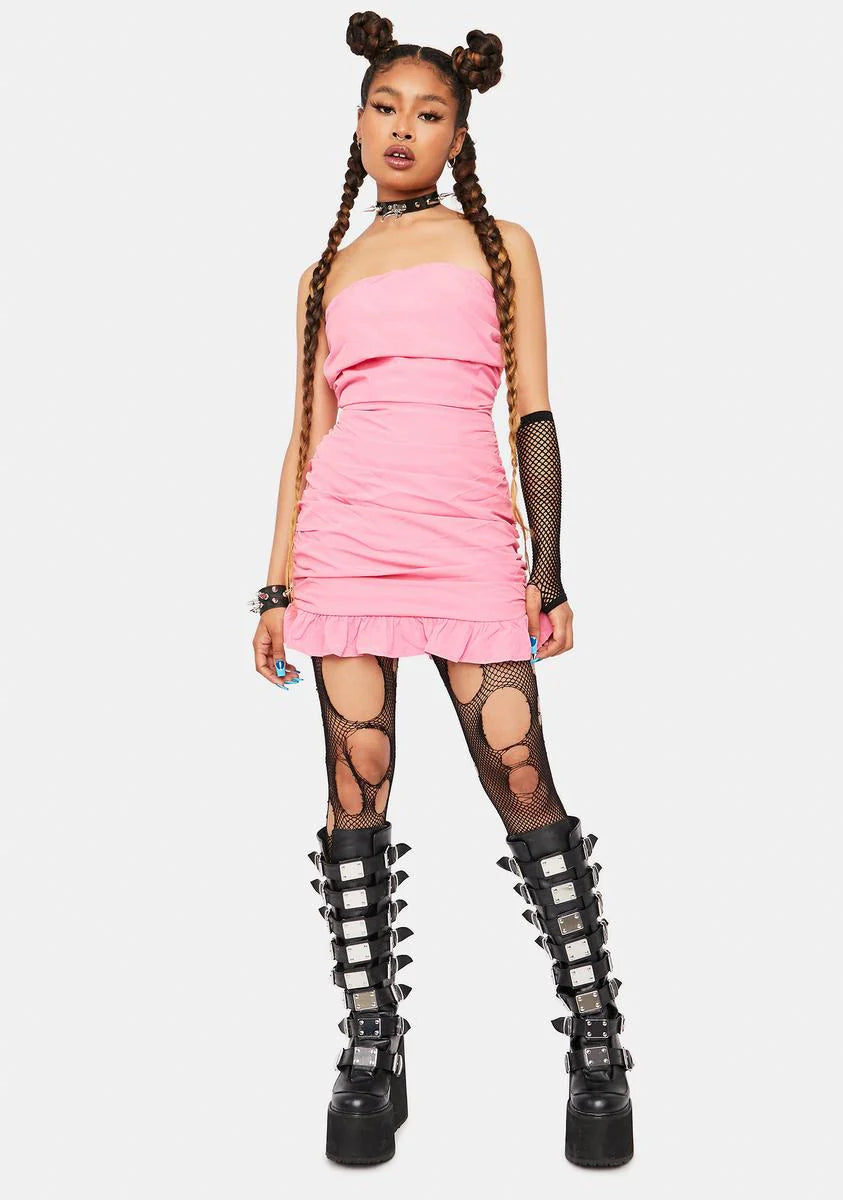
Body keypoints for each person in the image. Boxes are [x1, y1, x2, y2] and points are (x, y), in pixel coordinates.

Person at [250, 14, 635, 1169]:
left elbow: (534, 412)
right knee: (355, 788)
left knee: (520, 777)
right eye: (385, 108)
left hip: (467, 540)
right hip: (346, 542)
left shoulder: (501, 244)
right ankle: (372, 1043)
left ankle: (598, 1040)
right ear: (358, 121)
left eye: (428, 114)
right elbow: (305, 437)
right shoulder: (321, 275)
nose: (402, 129)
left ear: (459, 133)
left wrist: (548, 572)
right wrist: (273, 587)